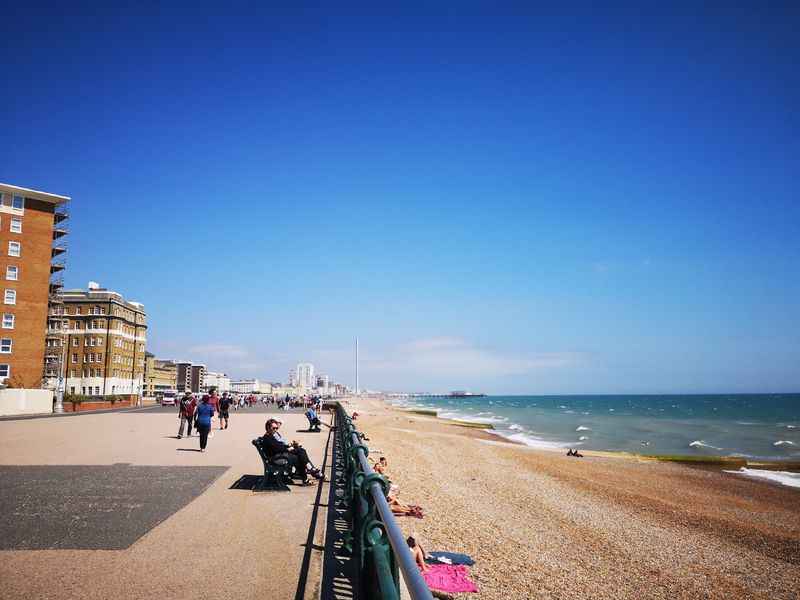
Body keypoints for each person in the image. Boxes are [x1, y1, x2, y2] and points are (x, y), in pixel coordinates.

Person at [261, 419, 313, 485]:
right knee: (297, 457)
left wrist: (289, 446)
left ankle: (308, 469)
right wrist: (288, 449)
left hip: (279, 455)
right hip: (276, 458)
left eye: (276, 428)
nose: (275, 430)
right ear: (268, 428)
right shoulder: (268, 438)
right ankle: (307, 471)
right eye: (273, 428)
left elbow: (278, 446)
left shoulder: (270, 436)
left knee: (300, 450)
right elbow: (277, 448)